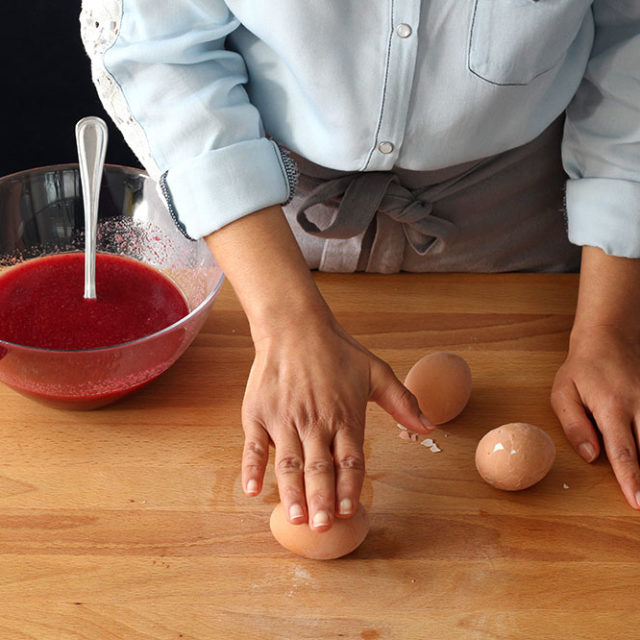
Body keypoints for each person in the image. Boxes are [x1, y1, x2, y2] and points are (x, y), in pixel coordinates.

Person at [80, 1, 640, 529]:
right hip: (267, 219)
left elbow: (630, 40)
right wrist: (285, 323)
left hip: (516, 224)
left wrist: (607, 329)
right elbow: (159, 45)